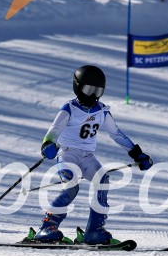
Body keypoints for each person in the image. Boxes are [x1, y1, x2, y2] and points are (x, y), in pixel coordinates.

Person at [32, 65, 153, 245]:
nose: (93, 95)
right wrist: (48, 145)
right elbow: (53, 131)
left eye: (98, 91)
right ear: (78, 87)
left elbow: (116, 134)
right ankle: (47, 227)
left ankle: (94, 231)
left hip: (87, 157)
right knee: (71, 187)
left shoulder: (102, 111)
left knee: (102, 180)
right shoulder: (69, 109)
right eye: (89, 90)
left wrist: (137, 154)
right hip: (68, 154)